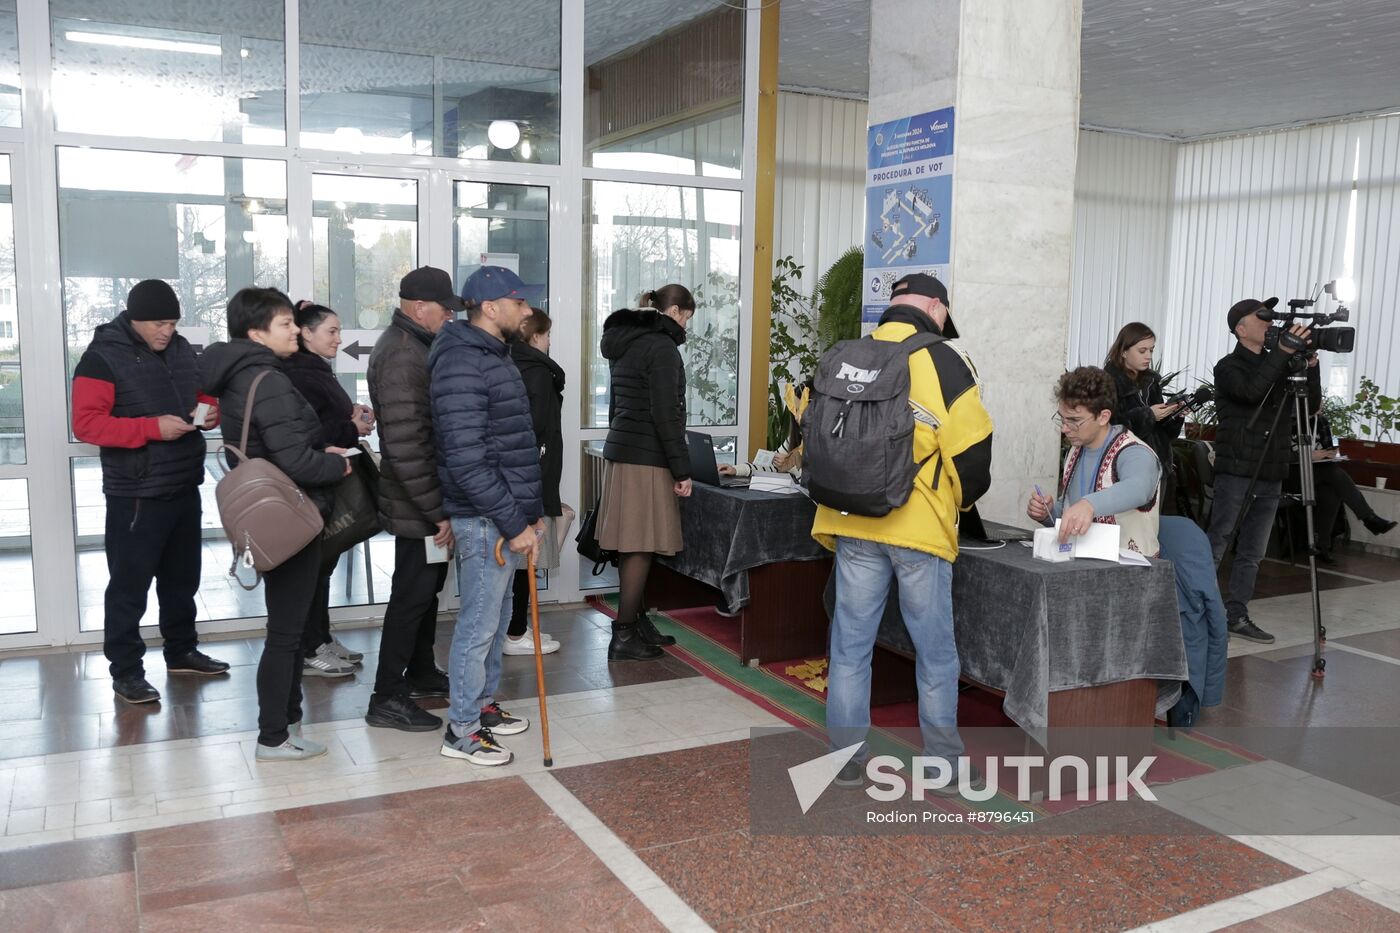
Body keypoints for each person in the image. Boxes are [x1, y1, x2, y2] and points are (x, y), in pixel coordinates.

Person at [812, 272, 993, 789]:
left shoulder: (845, 354)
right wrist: (953, 502)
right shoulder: (943, 360)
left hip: (850, 519)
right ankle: (943, 764)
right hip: (915, 528)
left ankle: (846, 759)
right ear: (936, 308)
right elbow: (973, 456)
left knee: (850, 645)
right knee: (935, 652)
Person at [200, 288, 352, 761]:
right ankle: (274, 736)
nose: (294, 331)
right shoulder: (268, 380)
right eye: (285, 324)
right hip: (290, 517)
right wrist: (336, 465)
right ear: (256, 332)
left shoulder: (240, 377)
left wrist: (312, 455)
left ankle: (287, 723)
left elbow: (276, 448)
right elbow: (295, 462)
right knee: (286, 634)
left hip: (270, 516)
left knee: (284, 628)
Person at [72, 279, 228, 705]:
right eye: (159, 323)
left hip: (183, 484)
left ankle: (181, 651)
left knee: (182, 580)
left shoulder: (179, 350)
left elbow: (195, 395)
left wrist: (206, 412)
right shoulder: (102, 357)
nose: (167, 331)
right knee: (129, 587)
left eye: (173, 323)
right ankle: (126, 671)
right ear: (135, 318)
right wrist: (150, 428)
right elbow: (86, 424)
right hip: (135, 494)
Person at [431, 265, 544, 766]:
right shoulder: (462, 362)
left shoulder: (491, 355)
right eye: (519, 303)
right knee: (477, 626)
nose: (527, 311)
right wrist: (513, 522)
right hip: (482, 518)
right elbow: (467, 457)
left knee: (495, 623)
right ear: (491, 308)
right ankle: (461, 730)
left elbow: (512, 448)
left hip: (500, 515)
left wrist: (529, 515)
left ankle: (480, 707)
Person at [363, 267, 459, 732]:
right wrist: (436, 511)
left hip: (418, 501)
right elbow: (406, 445)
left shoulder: (413, 345)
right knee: (410, 598)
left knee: (424, 595)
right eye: (445, 309)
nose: (449, 318)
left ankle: (420, 672)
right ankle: (386, 694)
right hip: (418, 504)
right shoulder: (404, 355)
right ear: (420, 307)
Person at [1205, 297, 1319, 644]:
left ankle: (1236, 614)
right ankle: (1199, 609)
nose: (1269, 323)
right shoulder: (1228, 367)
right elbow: (1252, 392)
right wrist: (1282, 354)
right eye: (1261, 318)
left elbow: (1311, 406)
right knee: (1218, 543)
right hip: (1237, 469)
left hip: (1271, 469)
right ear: (1241, 329)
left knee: (1253, 551)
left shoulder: (1280, 364)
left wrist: (1310, 366)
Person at [598, 285, 696, 661]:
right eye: (686, 317)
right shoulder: (661, 348)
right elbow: (665, 414)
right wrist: (681, 468)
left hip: (624, 450)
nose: (686, 326)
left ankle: (635, 623)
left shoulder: (626, 343)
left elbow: (617, 405)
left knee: (633, 545)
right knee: (639, 545)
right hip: (647, 456)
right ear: (673, 311)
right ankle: (623, 633)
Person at [282, 301, 375, 677]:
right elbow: (314, 433)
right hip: (311, 483)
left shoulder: (315, 369)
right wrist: (352, 426)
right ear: (306, 333)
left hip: (328, 481)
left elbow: (329, 418)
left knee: (322, 567)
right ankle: (309, 647)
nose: (339, 339)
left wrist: (351, 415)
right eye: (331, 331)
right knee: (312, 569)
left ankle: (319, 637)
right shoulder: (299, 374)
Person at [1027, 367, 1162, 555]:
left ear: (1103, 416)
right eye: (1062, 419)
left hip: (1130, 573)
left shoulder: (1135, 453)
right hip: (1082, 564)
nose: (1065, 428)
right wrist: (1048, 512)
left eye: (1074, 420)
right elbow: (1071, 509)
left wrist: (1089, 505)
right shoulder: (1075, 451)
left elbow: (1138, 489)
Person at [507, 308, 564, 657]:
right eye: (546, 335)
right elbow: (540, 429)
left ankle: (513, 628)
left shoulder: (508, 364)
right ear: (534, 337)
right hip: (532, 476)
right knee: (526, 554)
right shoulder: (539, 373)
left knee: (515, 556)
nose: (549, 341)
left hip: (518, 475)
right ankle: (515, 632)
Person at [1103, 322, 1185, 511]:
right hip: (1125, 469)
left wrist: (1176, 414)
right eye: (1142, 351)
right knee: (1130, 529)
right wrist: (1148, 415)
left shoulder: (1151, 382)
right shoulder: (1108, 383)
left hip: (1158, 466)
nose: (1148, 356)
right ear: (1124, 351)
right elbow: (1110, 428)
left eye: (1151, 350)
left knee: (1155, 530)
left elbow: (1166, 433)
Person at [1295, 415, 1397, 562]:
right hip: (1293, 475)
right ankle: (1369, 518)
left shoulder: (1321, 421)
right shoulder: (1291, 420)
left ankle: (1321, 546)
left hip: (1318, 473)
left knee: (1332, 490)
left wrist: (1329, 454)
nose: (1321, 403)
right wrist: (1307, 456)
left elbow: (1326, 447)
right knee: (1333, 474)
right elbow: (1281, 455)